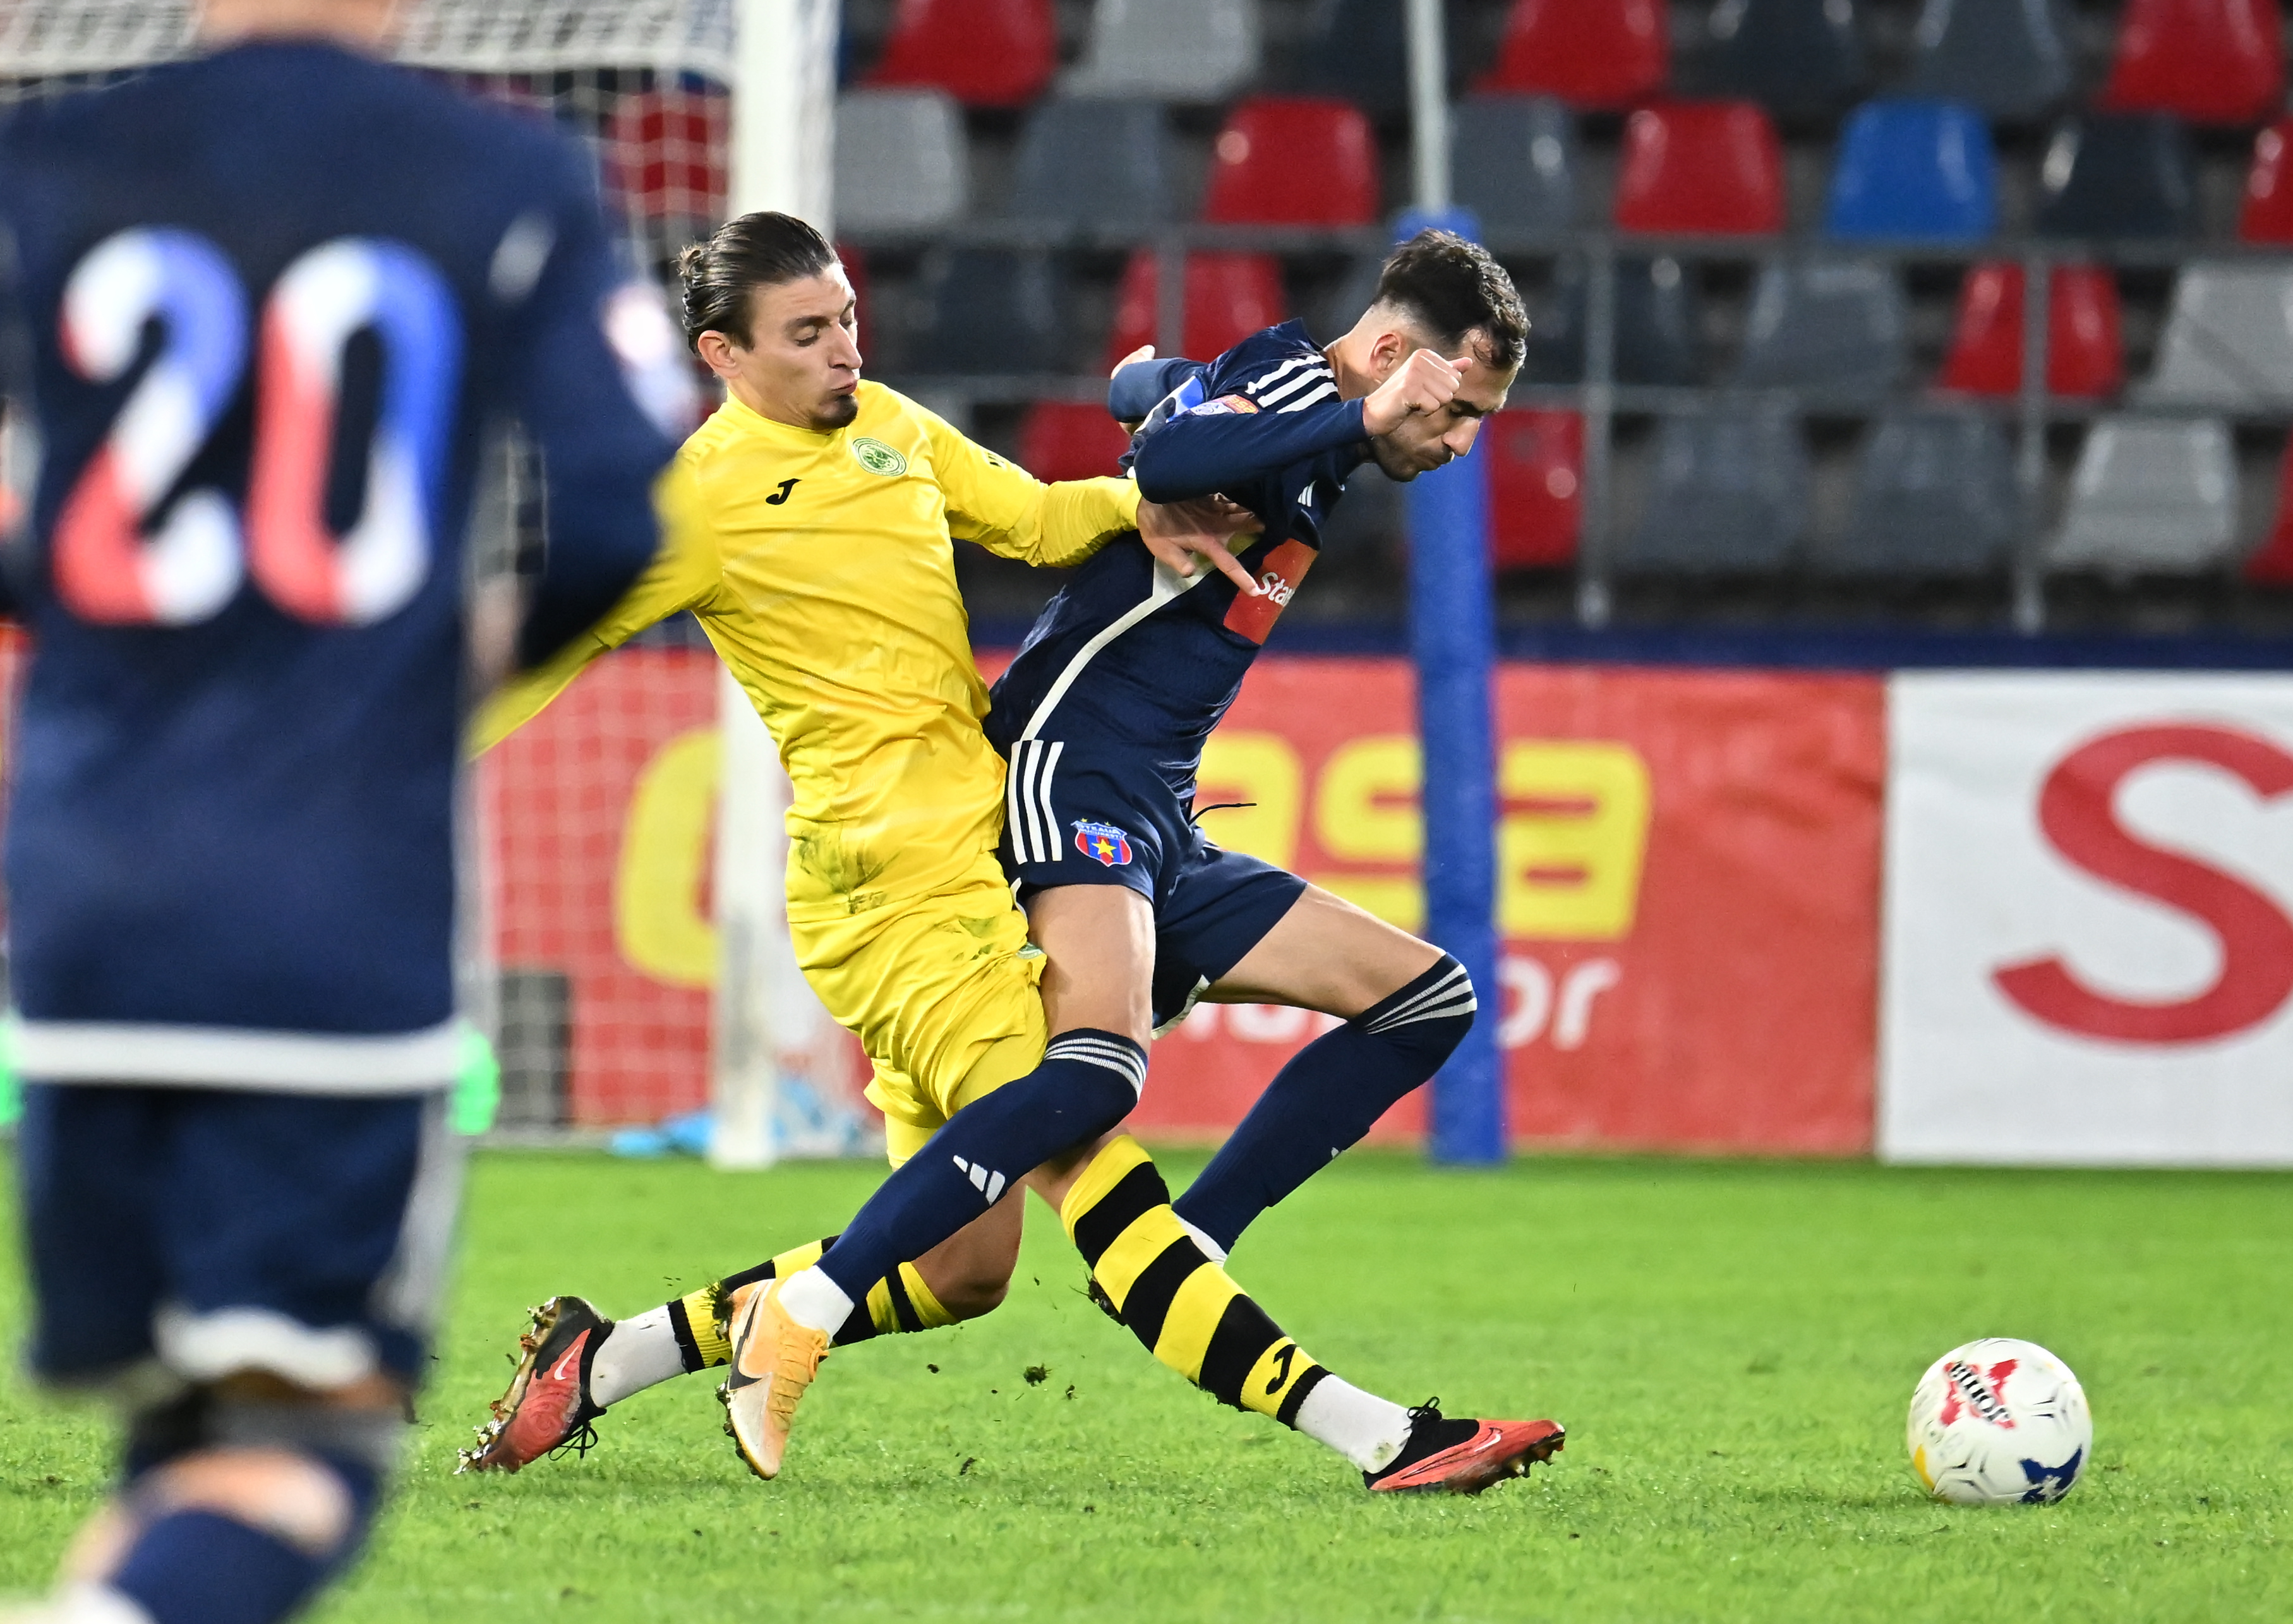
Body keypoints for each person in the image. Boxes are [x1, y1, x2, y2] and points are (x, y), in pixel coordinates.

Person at [467, 229, 1563, 1495]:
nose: (846, 347)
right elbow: (551, 642)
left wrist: (1137, 460)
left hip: (1044, 820)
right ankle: (1382, 1437)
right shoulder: (697, 502)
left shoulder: (886, 423)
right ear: (722, 356)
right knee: (1096, 1112)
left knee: (964, 1269)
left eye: (846, 318)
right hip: (911, 867)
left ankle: (601, 1361)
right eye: (808, 332)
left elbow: (1052, 509)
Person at [0, 0, 683, 1618]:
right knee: (299, 1452)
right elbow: (608, 514)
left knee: (186, 1446)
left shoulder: (50, 162)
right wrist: (435, 668)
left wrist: (92, 602)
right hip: (330, 914)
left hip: (82, 918)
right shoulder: (509, 177)